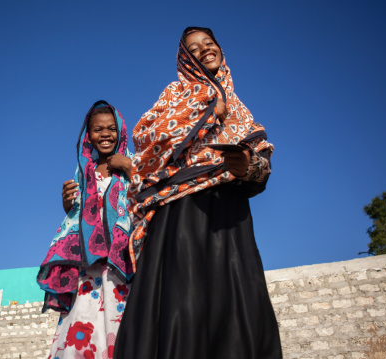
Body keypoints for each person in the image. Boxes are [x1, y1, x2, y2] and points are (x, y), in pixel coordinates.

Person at [113, 27, 282, 358]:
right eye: (194, 48)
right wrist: (203, 109)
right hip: (182, 213)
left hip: (231, 217)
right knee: (183, 302)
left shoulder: (239, 108)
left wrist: (247, 164)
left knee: (238, 302)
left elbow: (261, 165)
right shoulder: (176, 92)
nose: (204, 50)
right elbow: (146, 136)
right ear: (186, 59)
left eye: (209, 43)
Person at [37, 100, 134, 359]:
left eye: (111, 128)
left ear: (121, 131)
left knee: (118, 320)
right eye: (98, 129)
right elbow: (77, 215)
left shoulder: (131, 163)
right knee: (83, 321)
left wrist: (129, 168)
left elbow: (151, 192)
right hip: (86, 266)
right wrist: (67, 202)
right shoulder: (83, 172)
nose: (105, 134)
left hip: (119, 263)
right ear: (88, 135)